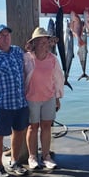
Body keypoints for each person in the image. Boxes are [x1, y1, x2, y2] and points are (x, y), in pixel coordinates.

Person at [0, 24, 29, 177]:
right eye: (1, 35)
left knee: (18, 132)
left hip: (20, 102)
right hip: (1, 104)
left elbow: (31, 58)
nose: (5, 38)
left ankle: (14, 161)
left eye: (7, 35)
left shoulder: (18, 51)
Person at [24, 27, 64, 169]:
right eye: (40, 41)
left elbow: (58, 79)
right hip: (31, 98)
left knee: (46, 127)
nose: (44, 44)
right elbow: (21, 78)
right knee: (32, 127)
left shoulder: (53, 59)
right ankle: (32, 156)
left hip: (49, 98)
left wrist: (58, 98)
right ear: (34, 43)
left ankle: (46, 156)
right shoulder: (27, 58)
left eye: (46, 41)